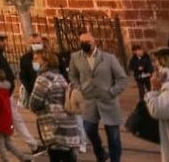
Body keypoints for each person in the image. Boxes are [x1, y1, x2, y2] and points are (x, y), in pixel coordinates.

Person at [67, 32, 128, 162]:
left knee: (114, 137)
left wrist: (112, 92)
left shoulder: (109, 58)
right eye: (82, 42)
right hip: (88, 101)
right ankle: (100, 153)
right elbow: (72, 75)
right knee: (89, 129)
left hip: (108, 101)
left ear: (94, 42)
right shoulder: (75, 57)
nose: (85, 44)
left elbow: (122, 78)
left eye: (87, 42)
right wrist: (79, 87)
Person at [24, 49, 83, 162]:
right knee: (67, 156)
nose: (34, 62)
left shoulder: (43, 79)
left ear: (45, 62)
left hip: (54, 126)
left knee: (56, 156)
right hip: (67, 123)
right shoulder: (59, 76)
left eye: (36, 59)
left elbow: (34, 102)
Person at [0, 67, 31, 161]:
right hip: (6, 120)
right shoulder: (4, 90)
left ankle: (5, 160)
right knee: (8, 143)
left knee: (0, 145)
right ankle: (24, 158)